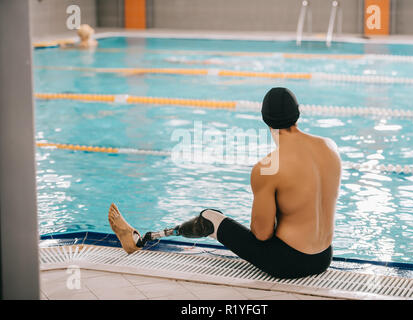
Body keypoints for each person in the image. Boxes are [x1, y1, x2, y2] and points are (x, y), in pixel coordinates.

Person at [108, 87, 341, 279]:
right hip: (323, 257)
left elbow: (261, 234)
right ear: (297, 114)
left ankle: (140, 240)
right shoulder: (330, 147)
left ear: (265, 120)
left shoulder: (268, 168)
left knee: (210, 218)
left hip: (288, 264)